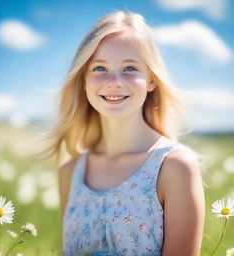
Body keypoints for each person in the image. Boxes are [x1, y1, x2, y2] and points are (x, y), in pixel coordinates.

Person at [40, 10, 206, 256]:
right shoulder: (70, 171)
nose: (115, 81)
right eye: (99, 68)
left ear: (151, 80)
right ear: (83, 80)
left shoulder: (174, 167)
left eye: (129, 68)